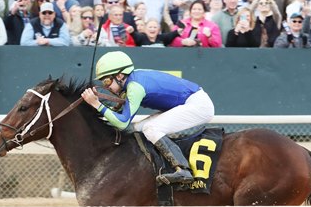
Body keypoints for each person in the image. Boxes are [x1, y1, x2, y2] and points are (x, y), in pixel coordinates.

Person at [81, 51, 215, 185]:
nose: (106, 87)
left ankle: (183, 170)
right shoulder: (132, 81)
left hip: (198, 105)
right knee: (138, 127)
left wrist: (96, 104)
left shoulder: (135, 87)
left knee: (151, 128)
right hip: (190, 101)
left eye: (107, 81)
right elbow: (121, 116)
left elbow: (122, 123)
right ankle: (155, 166)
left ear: (120, 76)